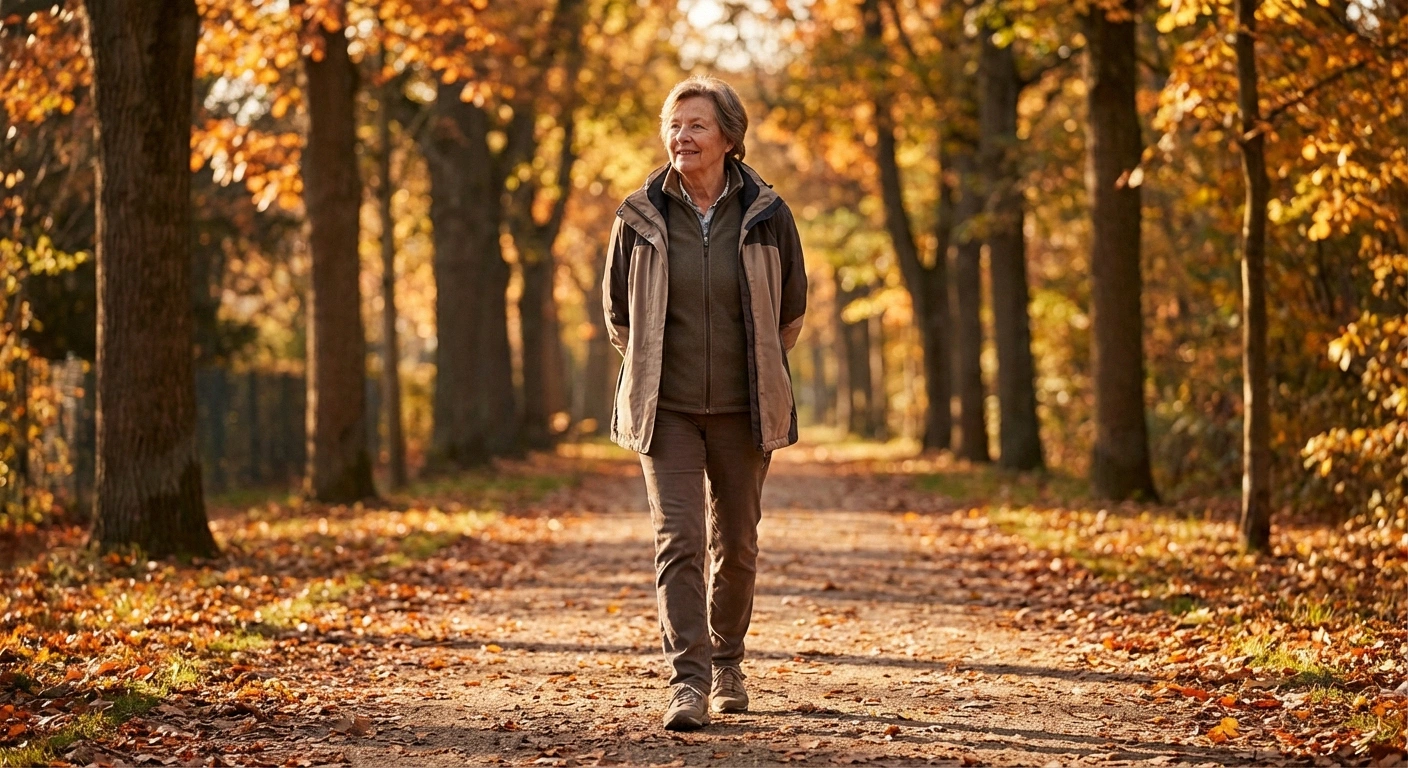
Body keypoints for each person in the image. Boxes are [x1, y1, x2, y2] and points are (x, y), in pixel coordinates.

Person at [601, 74, 808, 731]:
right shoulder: (640, 215)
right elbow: (617, 314)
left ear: (729, 137)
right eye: (673, 124)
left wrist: (761, 370)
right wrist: (652, 371)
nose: (681, 136)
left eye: (695, 124)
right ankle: (687, 682)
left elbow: (792, 308)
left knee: (737, 545)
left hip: (745, 410)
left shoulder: (768, 213)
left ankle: (728, 663)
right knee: (680, 540)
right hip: (668, 411)